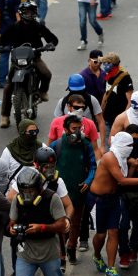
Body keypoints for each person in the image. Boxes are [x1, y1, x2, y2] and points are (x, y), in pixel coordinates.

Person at [88, 132, 138, 276]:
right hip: (100, 200)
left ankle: (110, 267)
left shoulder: (122, 156)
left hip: (114, 199)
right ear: (121, 145)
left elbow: (134, 164)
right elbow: (122, 180)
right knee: (101, 235)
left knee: (114, 231)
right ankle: (96, 255)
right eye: (128, 145)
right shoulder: (110, 157)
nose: (130, 148)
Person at [9, 167, 68, 276]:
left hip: (49, 254)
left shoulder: (52, 198)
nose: (27, 195)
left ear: (39, 188)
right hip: (26, 254)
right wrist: (12, 229)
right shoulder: (17, 201)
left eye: (31, 191)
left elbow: (62, 224)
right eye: (24, 191)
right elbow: (11, 223)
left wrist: (42, 228)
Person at [0, 0, 58, 127]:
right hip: (17, 61)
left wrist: (51, 44)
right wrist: (1, 47)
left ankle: (42, 91)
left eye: (32, 12)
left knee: (46, 73)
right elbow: (1, 41)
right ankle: (5, 116)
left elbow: (52, 38)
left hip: (34, 58)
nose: (30, 14)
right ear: (21, 12)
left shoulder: (38, 26)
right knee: (8, 87)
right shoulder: (14, 27)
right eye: (28, 11)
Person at [49, 114, 96, 266]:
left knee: (76, 222)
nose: (77, 131)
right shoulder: (56, 145)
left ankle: (71, 248)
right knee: (61, 223)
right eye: (74, 128)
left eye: (79, 128)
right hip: (60, 192)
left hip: (79, 190)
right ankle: (61, 255)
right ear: (66, 129)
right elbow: (45, 166)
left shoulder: (85, 144)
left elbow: (93, 165)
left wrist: (88, 181)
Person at [99, 53, 134, 139]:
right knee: (107, 144)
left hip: (119, 119)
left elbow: (130, 100)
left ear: (113, 64)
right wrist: (101, 112)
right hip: (107, 117)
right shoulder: (108, 76)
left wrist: (124, 117)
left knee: (118, 143)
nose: (103, 66)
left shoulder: (125, 77)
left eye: (106, 63)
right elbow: (106, 94)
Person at [0, 0, 21, 88]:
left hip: (3, 30)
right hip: (14, 30)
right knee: (17, 55)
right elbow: (17, 14)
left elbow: (0, 10)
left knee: (4, 56)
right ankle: (15, 78)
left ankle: (1, 80)